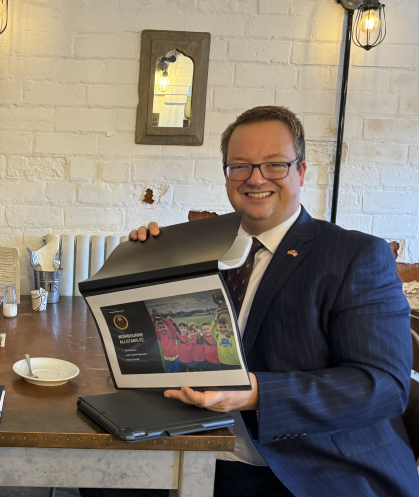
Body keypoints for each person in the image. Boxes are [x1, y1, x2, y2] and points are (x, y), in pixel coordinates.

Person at [81, 105, 419, 497]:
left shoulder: (355, 256)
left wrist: (256, 392)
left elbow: (384, 385)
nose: (255, 178)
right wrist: (141, 263)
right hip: (194, 444)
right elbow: (153, 351)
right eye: (239, 166)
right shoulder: (195, 248)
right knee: (96, 480)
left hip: (303, 466)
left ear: (302, 171)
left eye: (275, 164)